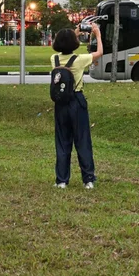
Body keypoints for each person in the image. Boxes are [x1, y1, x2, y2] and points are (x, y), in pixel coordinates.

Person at [50, 23, 103, 190]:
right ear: (75, 42)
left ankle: (61, 180)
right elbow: (100, 52)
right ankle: (88, 179)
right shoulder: (80, 60)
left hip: (60, 103)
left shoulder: (54, 60)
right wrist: (97, 34)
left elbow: (65, 42)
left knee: (62, 141)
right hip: (77, 100)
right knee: (82, 140)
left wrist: (73, 32)